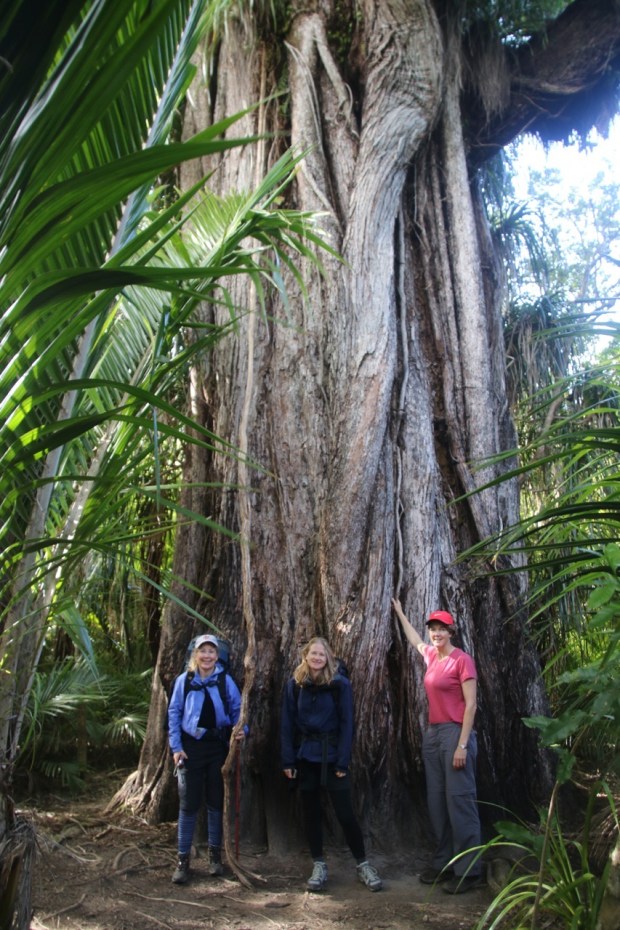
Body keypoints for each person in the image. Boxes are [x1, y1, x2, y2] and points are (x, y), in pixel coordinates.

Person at [392, 599, 484, 894]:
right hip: (432, 735)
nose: (436, 633)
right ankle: (445, 861)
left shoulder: (462, 660)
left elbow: (471, 706)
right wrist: (400, 612)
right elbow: (415, 640)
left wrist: (462, 746)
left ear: (451, 631)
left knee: (460, 801)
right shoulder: (432, 656)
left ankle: (469, 871)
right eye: (433, 628)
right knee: (437, 802)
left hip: (456, 732)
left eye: (441, 628)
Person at [281, 636, 383, 893]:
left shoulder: (340, 685)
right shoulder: (295, 685)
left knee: (345, 813)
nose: (317, 658)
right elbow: (287, 723)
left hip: (333, 757)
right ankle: (318, 864)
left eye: (322, 655)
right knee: (311, 813)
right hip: (305, 757)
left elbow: (348, 724)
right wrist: (288, 759)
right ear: (306, 656)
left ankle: (363, 864)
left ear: (328, 659)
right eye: (313, 653)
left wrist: (343, 761)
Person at [168, 633, 246, 884]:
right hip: (190, 748)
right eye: (203, 651)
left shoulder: (225, 681)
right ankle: (182, 860)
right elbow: (174, 713)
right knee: (189, 804)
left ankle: (215, 856)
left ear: (217, 656)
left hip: (217, 747)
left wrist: (242, 731)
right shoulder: (184, 681)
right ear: (195, 654)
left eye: (212, 651)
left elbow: (237, 711)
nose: (207, 656)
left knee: (215, 802)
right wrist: (176, 747)